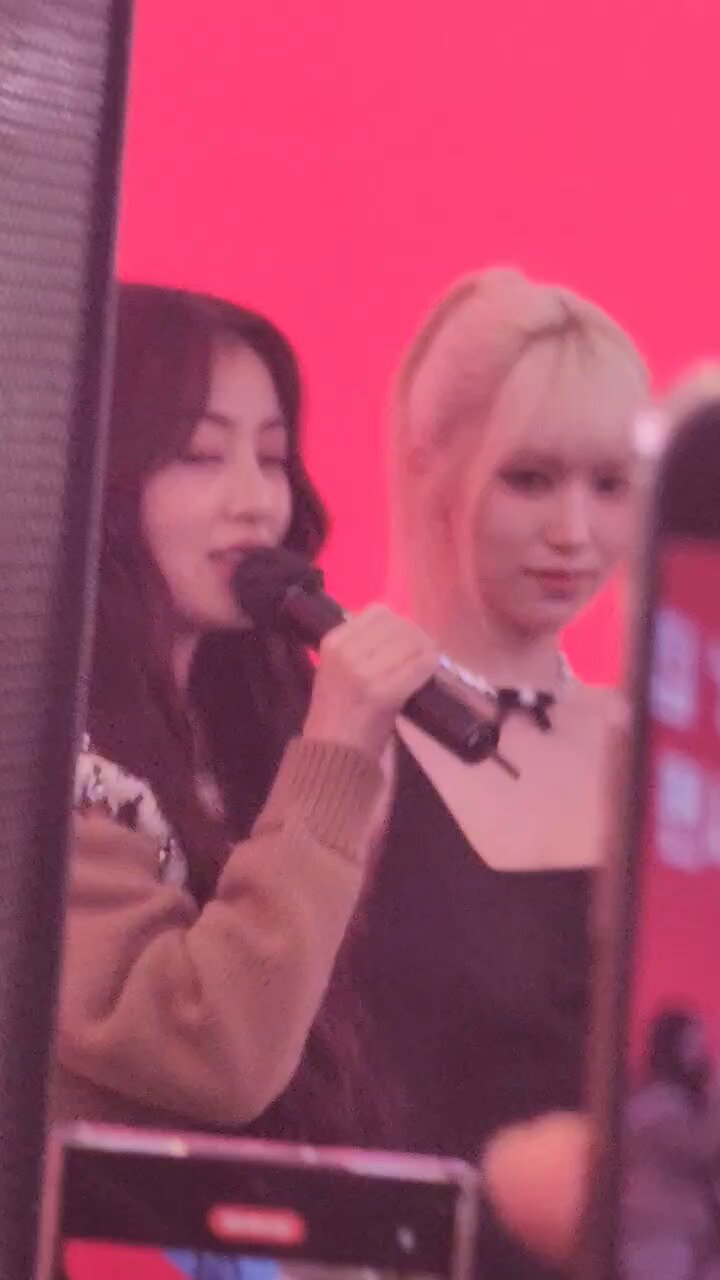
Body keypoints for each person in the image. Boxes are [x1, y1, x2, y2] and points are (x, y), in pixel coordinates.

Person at [51, 282, 438, 1131]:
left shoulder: (241, 736)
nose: (256, 501)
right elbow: (211, 1051)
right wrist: (333, 758)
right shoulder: (40, 756)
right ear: (99, 474)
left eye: (271, 458)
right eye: (200, 455)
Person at [346, 265, 649, 1276]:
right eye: (530, 478)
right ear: (431, 463)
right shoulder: (348, 744)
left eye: (609, 485)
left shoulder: (657, 758)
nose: (575, 532)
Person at [621, 1010, 720, 1280]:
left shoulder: (678, 1104)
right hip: (658, 1238)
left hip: (684, 1237)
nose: (701, 1054)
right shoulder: (653, 1107)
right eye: (694, 1045)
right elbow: (703, 1148)